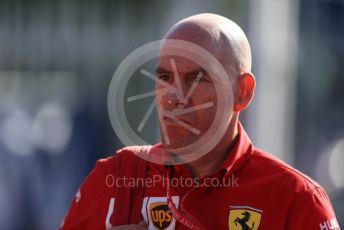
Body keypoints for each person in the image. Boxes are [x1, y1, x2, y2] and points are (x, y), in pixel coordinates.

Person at [60, 13, 340, 230]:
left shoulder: (297, 199)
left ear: (242, 92)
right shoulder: (115, 179)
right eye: (164, 78)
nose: (174, 97)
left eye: (196, 79)